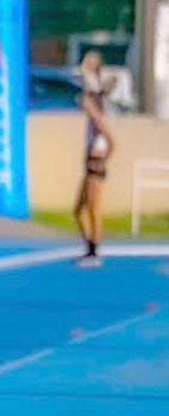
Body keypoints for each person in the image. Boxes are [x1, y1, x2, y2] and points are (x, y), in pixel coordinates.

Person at [74, 51, 115, 268]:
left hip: (95, 164)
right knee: (79, 209)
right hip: (90, 163)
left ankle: (94, 252)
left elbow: (112, 141)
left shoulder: (98, 118)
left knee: (93, 208)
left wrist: (102, 160)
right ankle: (90, 247)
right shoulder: (92, 120)